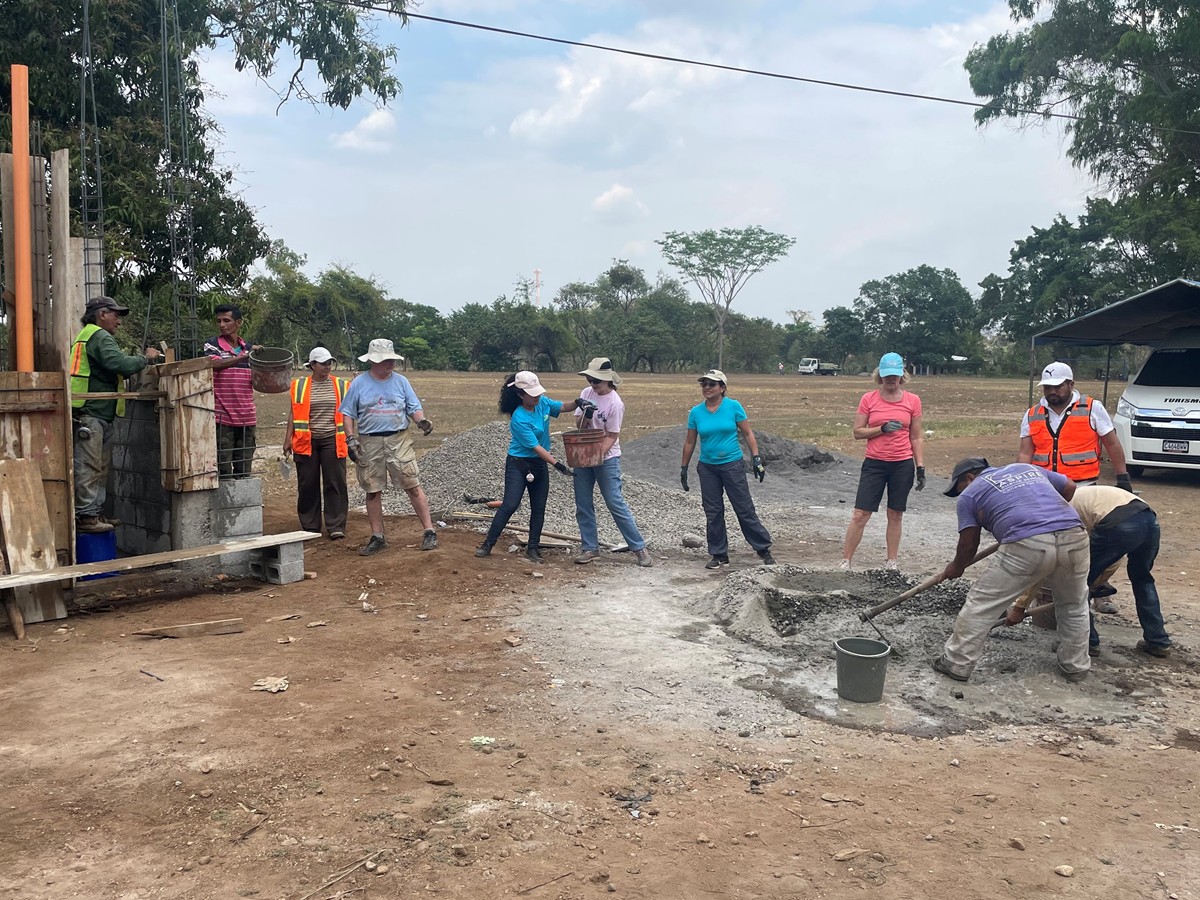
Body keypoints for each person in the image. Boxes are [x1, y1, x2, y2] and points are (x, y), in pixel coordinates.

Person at [932, 457, 1091, 684]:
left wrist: (956, 567)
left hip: (1027, 542)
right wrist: (1047, 515)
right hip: (1074, 534)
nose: (960, 493)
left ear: (969, 477)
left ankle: (957, 662)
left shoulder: (970, 495)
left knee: (982, 603)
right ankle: (1075, 666)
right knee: (1073, 604)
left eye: (959, 487)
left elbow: (968, 544)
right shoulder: (1024, 468)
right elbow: (1069, 486)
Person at [1006, 485, 1172, 659]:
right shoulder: (1074, 501)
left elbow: (1043, 566)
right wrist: (1098, 580)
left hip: (1117, 522)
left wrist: (1020, 607)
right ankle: (1157, 641)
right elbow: (1114, 556)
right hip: (1149, 520)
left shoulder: (1054, 516)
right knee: (1142, 580)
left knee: (1075, 585)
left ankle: (1087, 642)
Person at [1018, 361, 1132, 611]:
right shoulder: (1033, 414)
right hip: (1046, 491)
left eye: (1057, 386)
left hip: (1084, 489)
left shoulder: (1092, 408)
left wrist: (1122, 476)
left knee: (1091, 544)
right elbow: (1026, 452)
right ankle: (1038, 598)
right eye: (1047, 387)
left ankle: (1099, 590)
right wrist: (1021, 482)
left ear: (1071, 384)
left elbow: (1112, 443)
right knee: (1043, 544)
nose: (1051, 392)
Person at [475, 371, 595, 563]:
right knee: (510, 504)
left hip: (539, 463)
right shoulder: (519, 418)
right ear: (520, 394)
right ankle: (487, 544)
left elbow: (563, 407)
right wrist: (557, 465)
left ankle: (532, 548)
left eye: (538, 392)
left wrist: (578, 402)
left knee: (538, 508)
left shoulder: (542, 403)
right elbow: (536, 447)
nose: (537, 396)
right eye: (533, 394)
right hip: (519, 463)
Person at [69, 296, 162, 533]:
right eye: (116, 315)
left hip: (95, 412)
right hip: (92, 412)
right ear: (102, 314)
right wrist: (145, 358)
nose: (119, 321)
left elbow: (110, 368)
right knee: (90, 466)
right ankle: (87, 516)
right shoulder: (98, 336)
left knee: (98, 466)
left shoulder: (87, 336)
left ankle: (94, 513)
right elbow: (119, 363)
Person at [339, 339, 437, 557]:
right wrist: (350, 438)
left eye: (392, 359)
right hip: (369, 442)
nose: (391, 363)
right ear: (373, 361)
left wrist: (421, 421)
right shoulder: (359, 384)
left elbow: (413, 407)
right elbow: (347, 413)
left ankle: (429, 531)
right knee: (372, 489)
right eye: (386, 360)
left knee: (412, 484)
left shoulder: (401, 382)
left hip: (398, 439)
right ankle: (377, 537)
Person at [680, 369, 775, 569]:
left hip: (732, 464)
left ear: (722, 388)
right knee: (713, 511)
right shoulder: (696, 412)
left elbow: (747, 433)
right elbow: (690, 441)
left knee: (743, 507)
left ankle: (763, 549)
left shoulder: (733, 406)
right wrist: (684, 467)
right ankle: (719, 554)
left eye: (712, 384)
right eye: (704, 384)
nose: (707, 387)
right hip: (708, 467)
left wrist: (756, 459)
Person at [840, 352, 925, 571]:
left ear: (902, 375)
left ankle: (891, 561)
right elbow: (857, 432)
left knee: (895, 514)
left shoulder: (913, 401)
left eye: (895, 375)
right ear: (880, 375)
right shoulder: (868, 399)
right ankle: (846, 561)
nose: (891, 379)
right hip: (875, 464)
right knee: (860, 514)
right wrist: (882, 428)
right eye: (887, 375)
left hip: (902, 464)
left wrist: (920, 467)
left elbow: (916, 437)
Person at [571, 358, 652, 568]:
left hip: (606, 457)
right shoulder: (586, 393)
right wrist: (586, 414)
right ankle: (590, 548)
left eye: (596, 380)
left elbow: (612, 435)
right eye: (590, 380)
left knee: (614, 502)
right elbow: (578, 425)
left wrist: (597, 455)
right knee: (583, 503)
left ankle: (639, 547)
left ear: (607, 380)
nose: (592, 384)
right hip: (583, 454)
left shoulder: (615, 403)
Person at [283, 347, 353, 540]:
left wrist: (351, 436)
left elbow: (349, 413)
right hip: (306, 441)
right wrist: (288, 438)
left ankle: (336, 525)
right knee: (307, 483)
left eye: (330, 363)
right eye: (323, 363)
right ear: (313, 365)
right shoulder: (299, 386)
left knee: (335, 482)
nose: (327, 366)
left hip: (332, 439)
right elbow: (293, 413)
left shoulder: (341, 385)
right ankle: (310, 525)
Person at [204, 305, 262, 478]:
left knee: (244, 468)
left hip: (247, 416)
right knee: (222, 468)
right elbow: (214, 364)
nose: (222, 325)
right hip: (222, 417)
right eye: (219, 321)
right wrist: (243, 357)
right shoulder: (212, 345)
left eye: (226, 321)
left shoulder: (249, 349)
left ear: (238, 323)